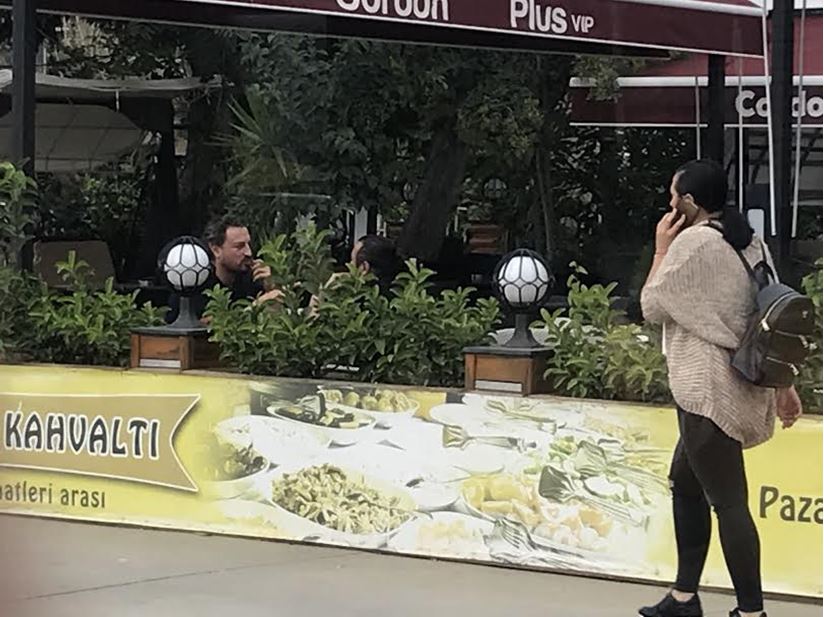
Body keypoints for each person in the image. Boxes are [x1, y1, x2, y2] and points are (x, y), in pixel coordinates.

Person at [638, 159, 802, 617]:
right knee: (685, 484)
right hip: (744, 381)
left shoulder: (692, 245)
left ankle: (751, 612)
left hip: (707, 389)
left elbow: (651, 304)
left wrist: (660, 249)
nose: (669, 203)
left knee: (729, 503)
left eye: (674, 195)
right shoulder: (750, 241)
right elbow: (772, 317)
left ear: (689, 203)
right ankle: (683, 597)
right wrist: (784, 383)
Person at [165, 216, 282, 323]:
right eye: (239, 246)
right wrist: (253, 309)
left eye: (248, 245)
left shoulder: (251, 278)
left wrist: (273, 286)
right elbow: (195, 328)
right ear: (216, 250)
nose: (248, 252)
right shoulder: (194, 283)